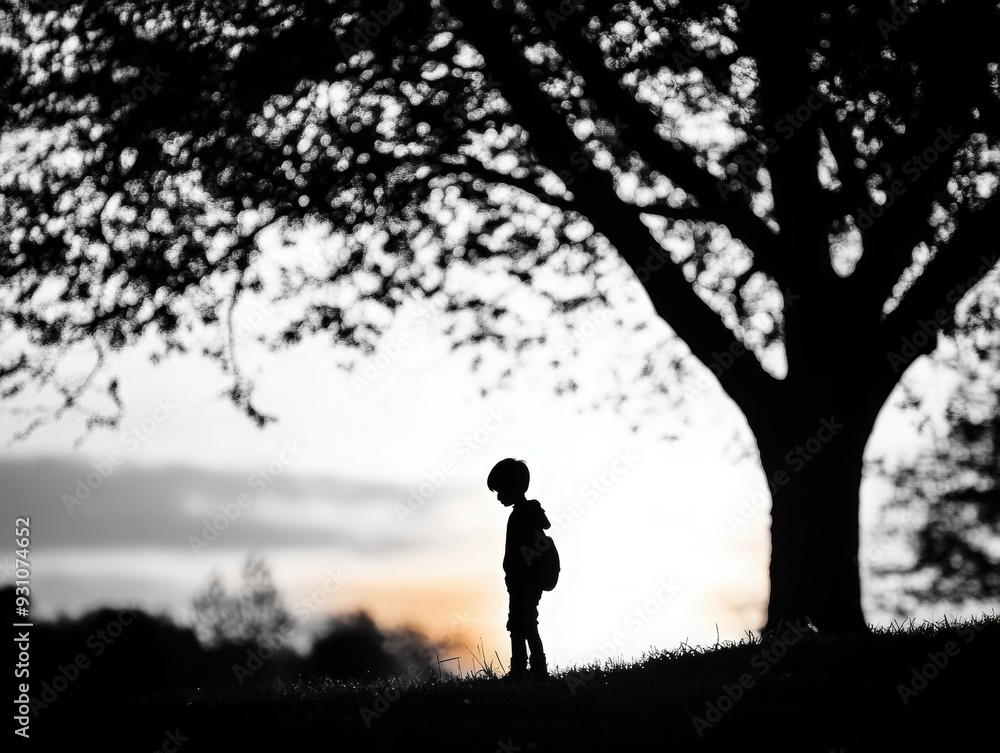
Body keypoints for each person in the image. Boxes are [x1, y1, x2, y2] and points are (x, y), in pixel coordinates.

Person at [488, 457, 552, 681]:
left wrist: (516, 574)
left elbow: (519, 553)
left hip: (523, 581)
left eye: (500, 490)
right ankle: (533, 669)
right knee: (524, 624)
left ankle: (526, 670)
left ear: (512, 487)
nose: (498, 496)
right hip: (525, 581)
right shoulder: (529, 514)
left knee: (521, 625)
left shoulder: (520, 516)